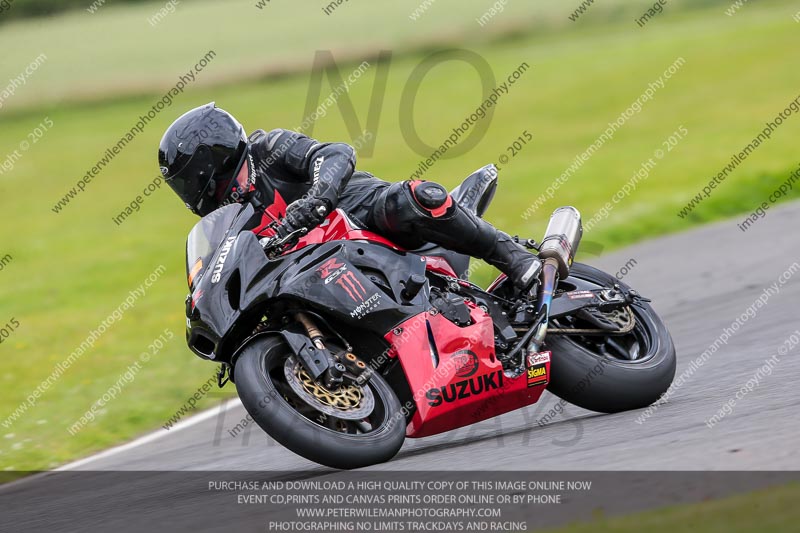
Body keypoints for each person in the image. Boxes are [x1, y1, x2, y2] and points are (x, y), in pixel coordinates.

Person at [158, 102, 541, 291]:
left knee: (415, 198)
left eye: (188, 180)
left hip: (357, 212)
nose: (189, 191)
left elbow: (334, 153)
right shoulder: (226, 222)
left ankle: (511, 255)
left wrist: (318, 199)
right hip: (329, 276)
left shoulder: (269, 148)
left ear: (214, 160)